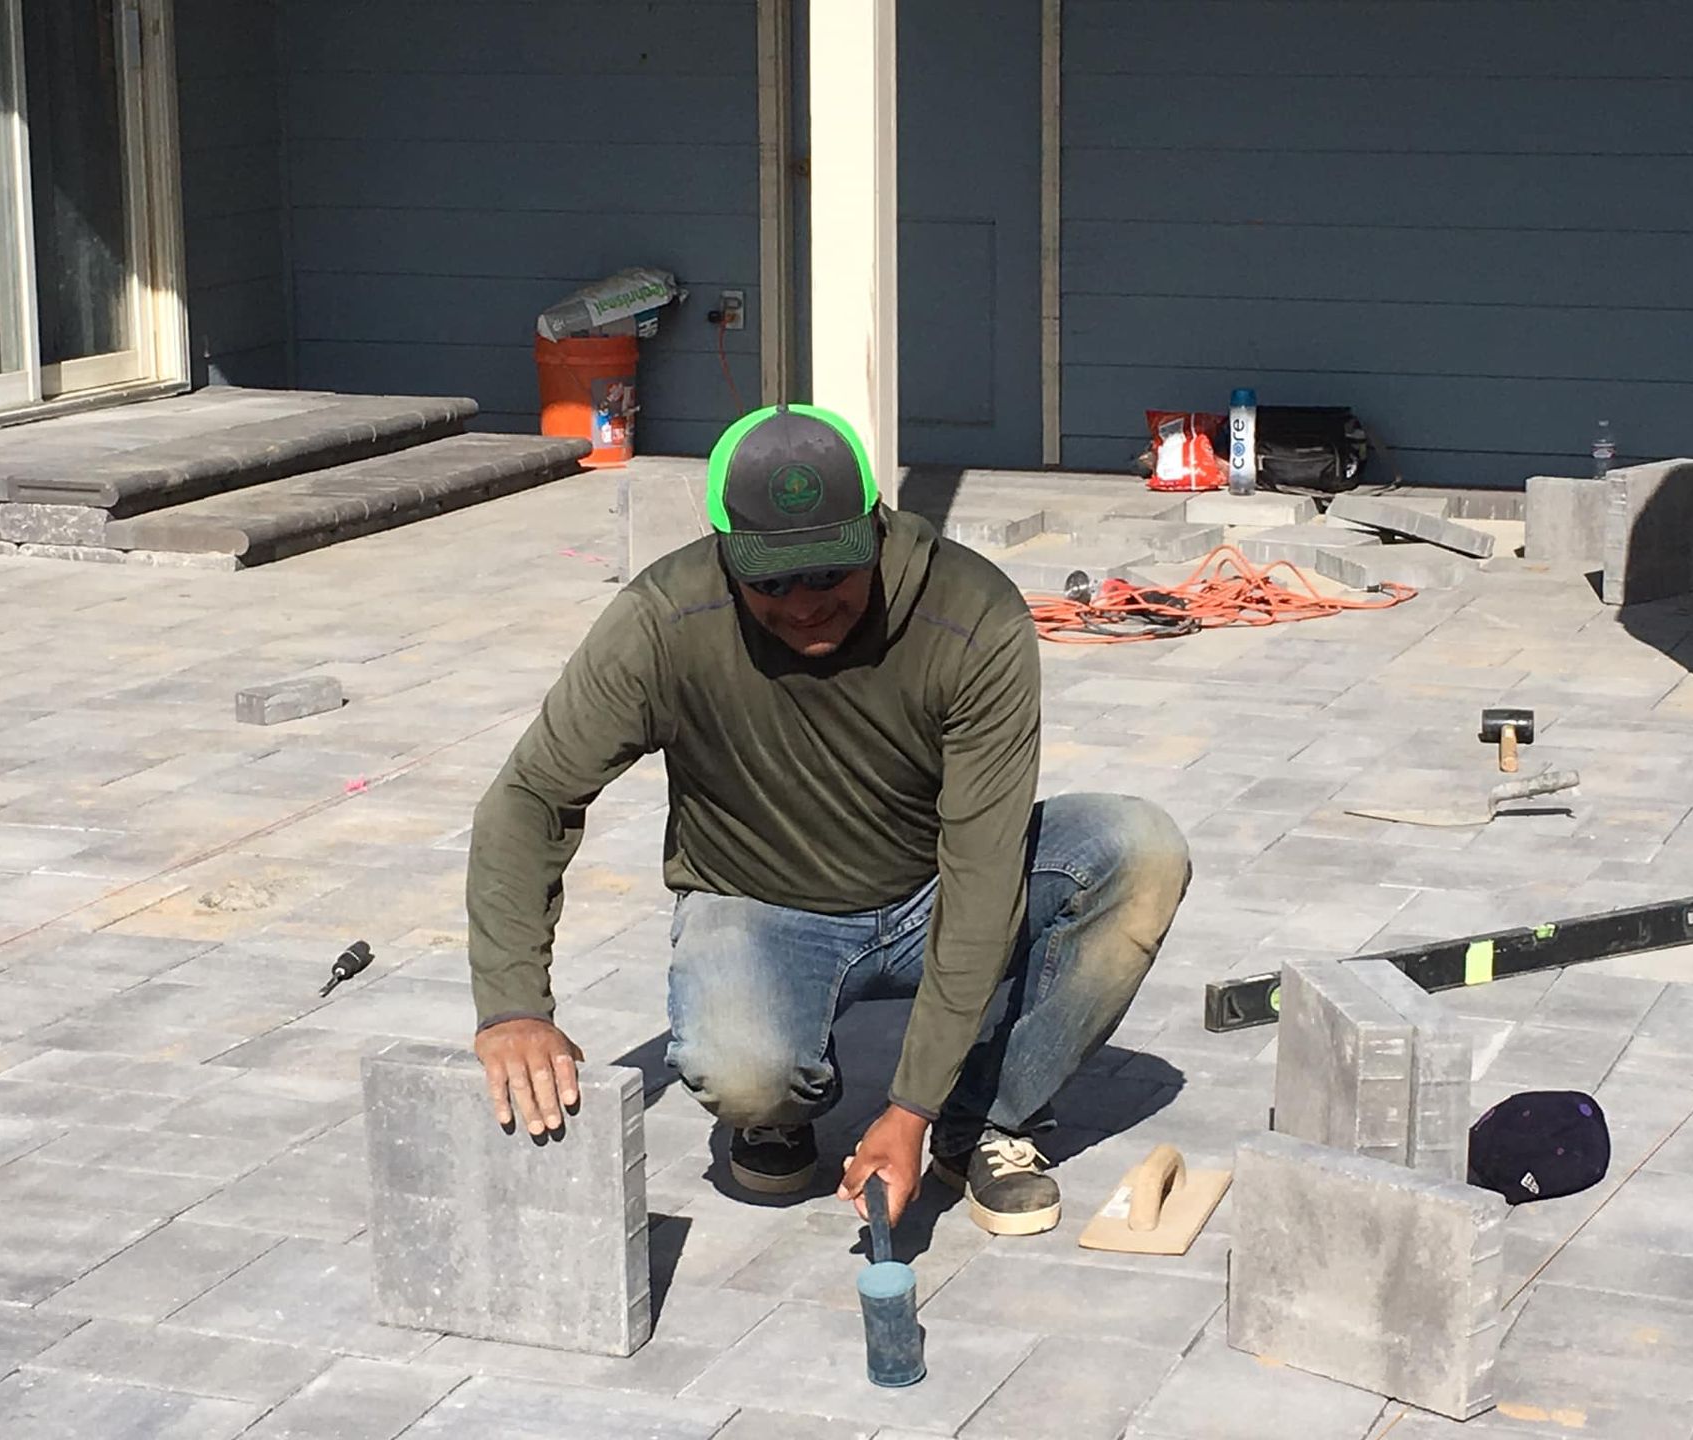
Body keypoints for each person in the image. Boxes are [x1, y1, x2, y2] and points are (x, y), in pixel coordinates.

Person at [465, 402, 1191, 1233]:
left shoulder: (970, 615)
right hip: (758, 899)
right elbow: (529, 797)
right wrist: (514, 1006)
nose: (805, 603)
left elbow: (983, 874)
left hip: (932, 888)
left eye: (828, 572)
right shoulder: (662, 623)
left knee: (1141, 852)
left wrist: (912, 1109)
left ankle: (987, 1116)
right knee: (743, 1072)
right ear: (727, 555)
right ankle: (778, 1110)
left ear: (875, 532)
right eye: (771, 582)